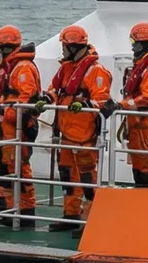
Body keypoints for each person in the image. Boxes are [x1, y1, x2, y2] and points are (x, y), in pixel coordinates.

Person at [36, 24, 111, 227]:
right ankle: (70, 215)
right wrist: (46, 98)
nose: (62, 50)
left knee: (87, 178)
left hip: (85, 134)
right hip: (66, 132)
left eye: (65, 46)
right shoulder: (65, 69)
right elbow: (55, 89)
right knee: (67, 176)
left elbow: (102, 99)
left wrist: (85, 104)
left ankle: (91, 221)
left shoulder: (96, 71)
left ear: (74, 47)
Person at [104, 22, 148, 188]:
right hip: (140, 128)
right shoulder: (146, 65)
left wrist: (121, 105)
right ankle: (143, 200)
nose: (132, 47)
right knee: (140, 171)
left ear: (142, 44)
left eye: (134, 43)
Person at [0, 24, 39, 226]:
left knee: (20, 168)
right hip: (7, 128)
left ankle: (26, 211)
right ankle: (11, 209)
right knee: (6, 169)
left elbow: (27, 98)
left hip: (18, 127)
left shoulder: (22, 67)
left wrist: (6, 113)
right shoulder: (10, 67)